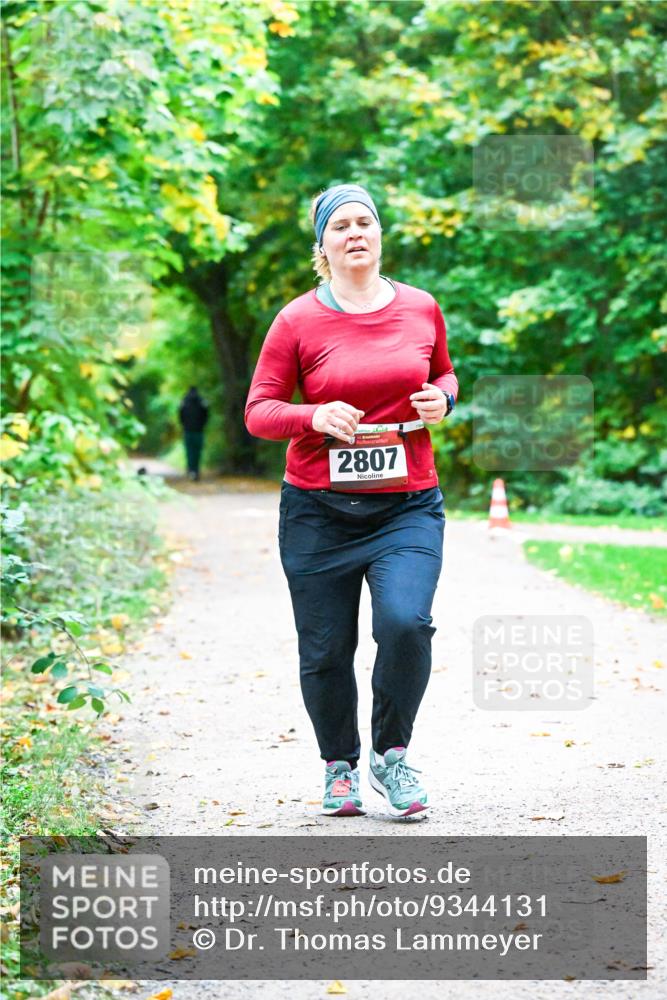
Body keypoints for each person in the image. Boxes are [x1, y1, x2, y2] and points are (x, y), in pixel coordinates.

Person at [245, 183, 457, 819]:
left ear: (380, 234)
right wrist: (313, 416)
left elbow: (445, 373)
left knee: (405, 624)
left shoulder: (421, 308)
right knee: (327, 648)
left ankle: (391, 756)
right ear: (323, 246)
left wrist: (443, 400)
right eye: (341, 226)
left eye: (365, 222)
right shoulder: (297, 321)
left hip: (407, 504)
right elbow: (259, 411)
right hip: (317, 512)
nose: (355, 233)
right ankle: (339, 765)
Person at [178, 386, 209, 481]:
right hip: (199, 431)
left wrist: (184, 425)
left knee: (189, 452)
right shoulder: (201, 401)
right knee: (197, 452)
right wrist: (202, 425)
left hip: (188, 431)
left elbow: (180, 416)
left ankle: (191, 470)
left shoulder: (184, 401)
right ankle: (196, 470)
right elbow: (206, 414)